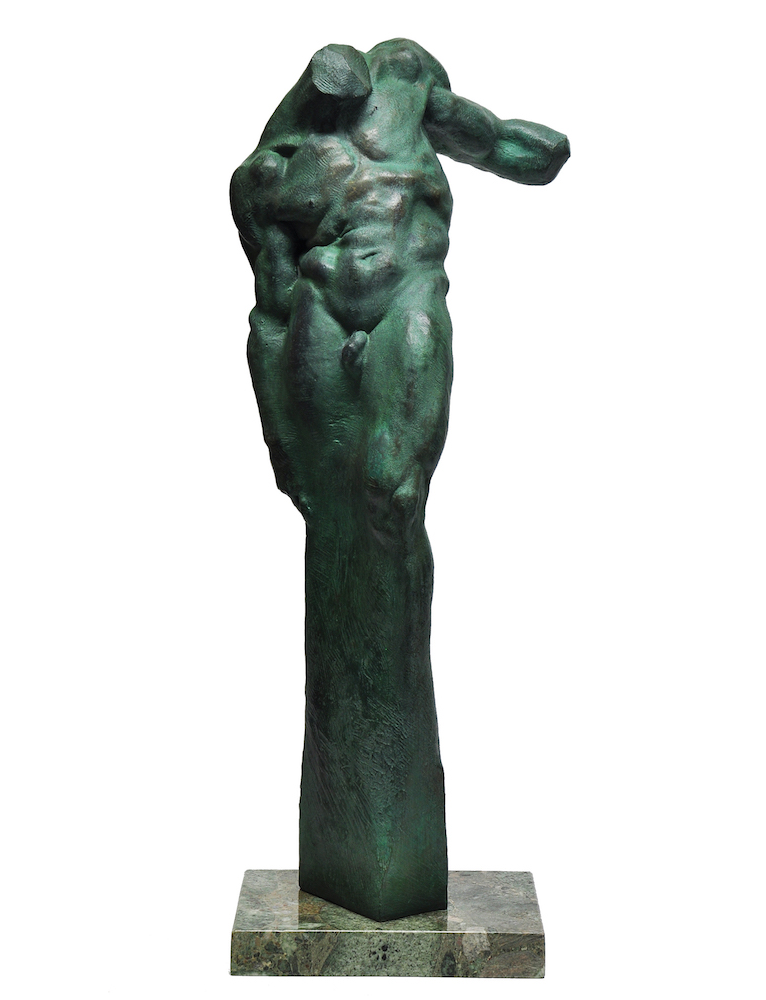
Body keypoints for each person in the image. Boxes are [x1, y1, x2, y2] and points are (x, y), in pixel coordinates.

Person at [230, 38, 569, 922]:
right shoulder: (270, 177)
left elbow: (500, 142)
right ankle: (353, 828)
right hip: (321, 312)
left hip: (407, 304)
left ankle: (390, 815)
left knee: (393, 494)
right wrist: (283, 433)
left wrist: (538, 150)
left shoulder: (407, 76)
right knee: (337, 518)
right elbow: (269, 308)